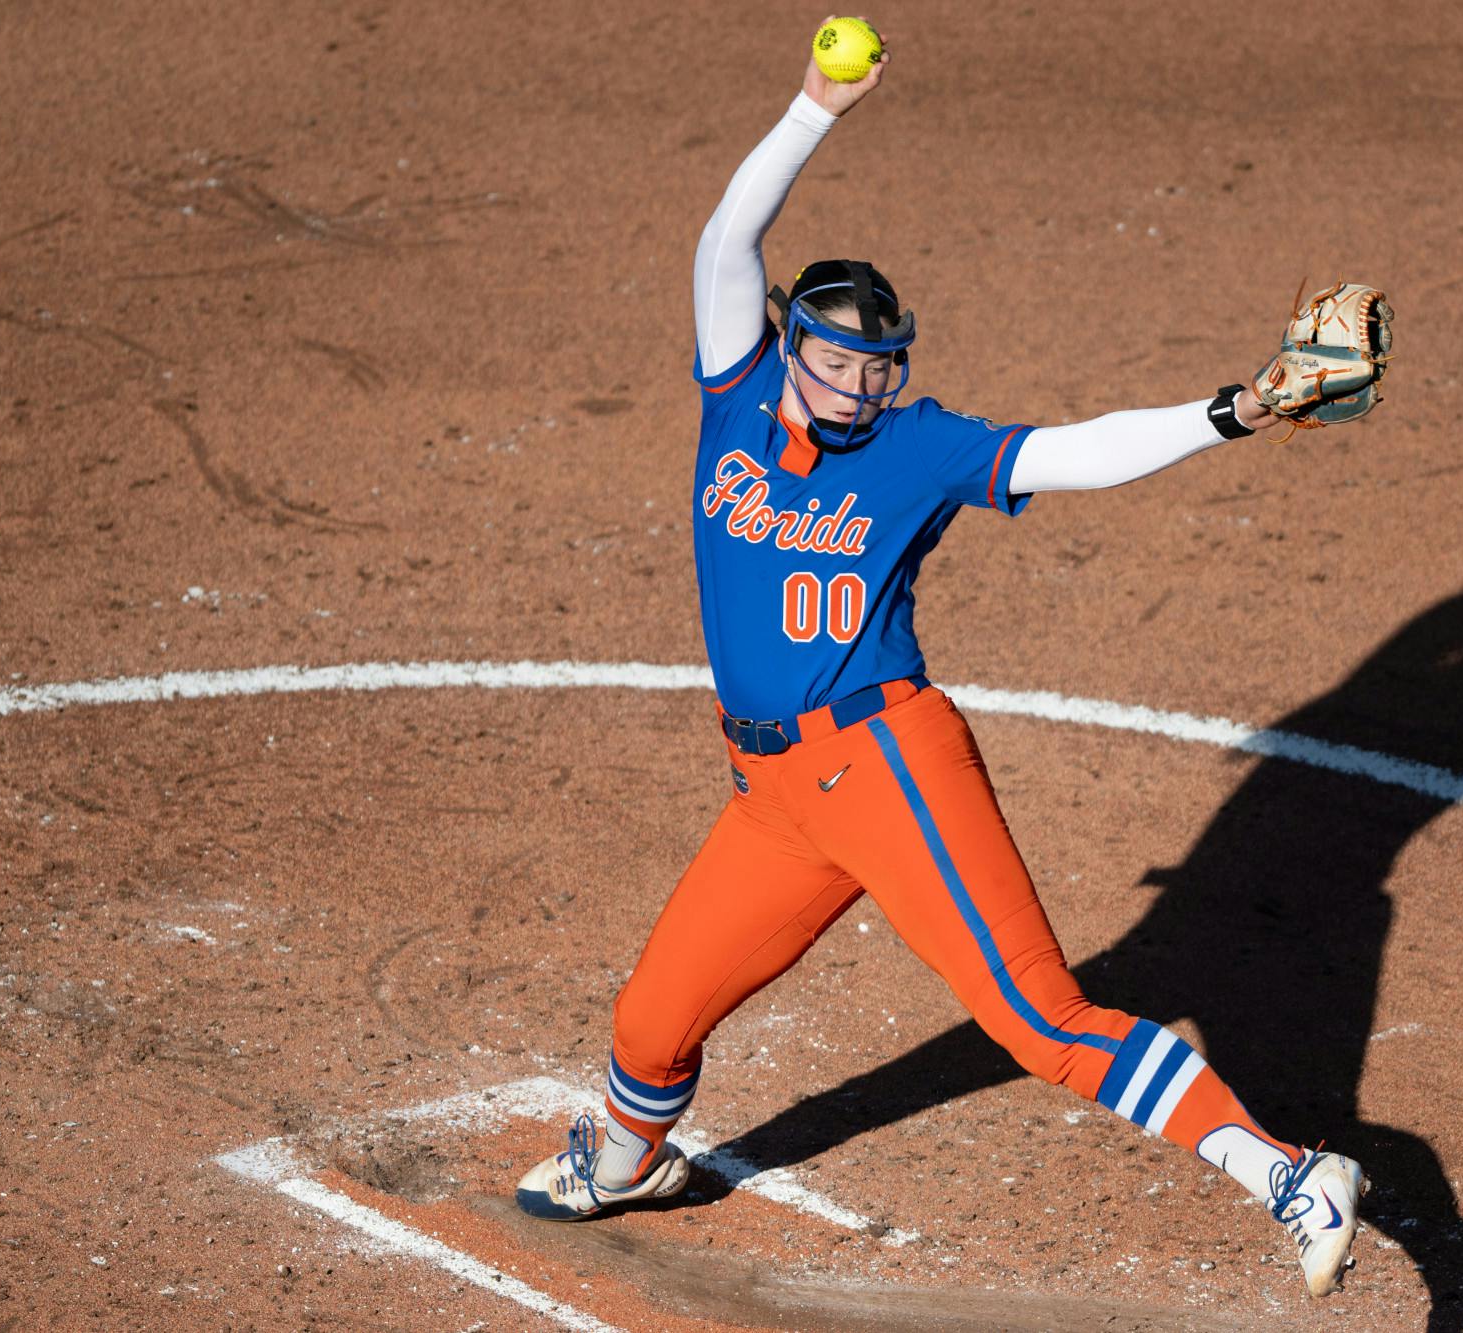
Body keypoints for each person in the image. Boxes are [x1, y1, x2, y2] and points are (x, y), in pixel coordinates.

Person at [517, 32, 1380, 1299]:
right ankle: (630, 1156)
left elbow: (1075, 454)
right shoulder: (735, 394)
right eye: (832, 357)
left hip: (885, 765)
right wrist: (813, 107)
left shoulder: (917, 451)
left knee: (1038, 1021)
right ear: (785, 343)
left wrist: (1229, 410)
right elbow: (723, 240)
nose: (855, 382)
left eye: (876, 364)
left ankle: (1288, 1172)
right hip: (772, 799)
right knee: (650, 1022)